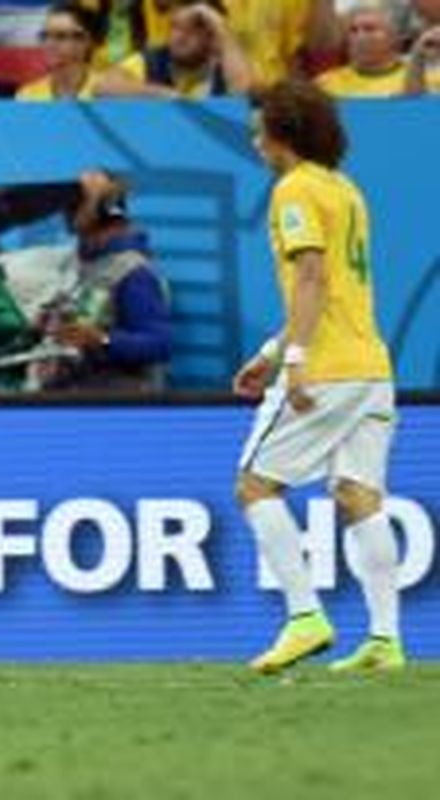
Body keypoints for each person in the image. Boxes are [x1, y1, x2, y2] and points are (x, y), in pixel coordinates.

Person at [235, 80, 403, 676]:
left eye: (260, 128)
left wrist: (297, 359)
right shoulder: (345, 190)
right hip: (371, 367)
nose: (254, 140)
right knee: (360, 496)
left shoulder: (296, 189)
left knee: (255, 486)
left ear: (281, 133)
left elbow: (312, 277)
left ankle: (304, 617)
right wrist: (271, 351)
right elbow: (333, 286)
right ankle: (385, 640)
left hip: (327, 368)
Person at [32, 171, 172, 393]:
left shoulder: (133, 271)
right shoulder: (78, 264)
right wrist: (47, 324)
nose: (66, 208)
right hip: (64, 393)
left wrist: (102, 340)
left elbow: (159, 344)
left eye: (78, 198)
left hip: (109, 403)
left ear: (106, 207)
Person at [102, 0, 253, 97]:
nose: (179, 38)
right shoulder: (153, 60)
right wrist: (167, 95)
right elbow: (104, 86)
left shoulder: (228, 68)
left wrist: (219, 24)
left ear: (212, 36)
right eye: (175, 27)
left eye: (191, 30)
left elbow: (245, 94)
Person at [16, 3, 107, 100]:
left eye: (60, 36)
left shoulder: (109, 91)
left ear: (86, 41)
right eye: (45, 36)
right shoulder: (27, 95)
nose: (49, 44)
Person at [316, 3, 409, 97]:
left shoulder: (418, 80)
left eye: (370, 29)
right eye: (353, 30)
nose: (360, 37)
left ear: (394, 37)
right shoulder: (325, 85)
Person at [405, 23, 440, 92]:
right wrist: (417, 54)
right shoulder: (411, 61)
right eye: (430, 44)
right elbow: (414, 94)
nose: (436, 48)